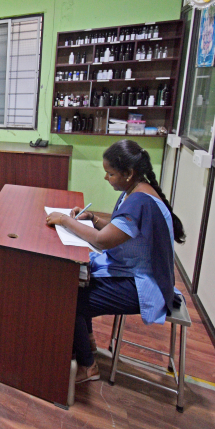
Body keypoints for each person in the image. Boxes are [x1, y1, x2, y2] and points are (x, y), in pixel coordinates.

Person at [46, 139, 185, 383]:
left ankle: (88, 366)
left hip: (144, 284)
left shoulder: (139, 201)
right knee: (80, 281)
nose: (106, 178)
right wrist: (92, 218)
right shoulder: (136, 190)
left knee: (71, 299)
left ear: (128, 173)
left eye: (110, 173)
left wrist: (66, 220)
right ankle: (87, 342)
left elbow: (102, 241)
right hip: (133, 271)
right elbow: (118, 228)